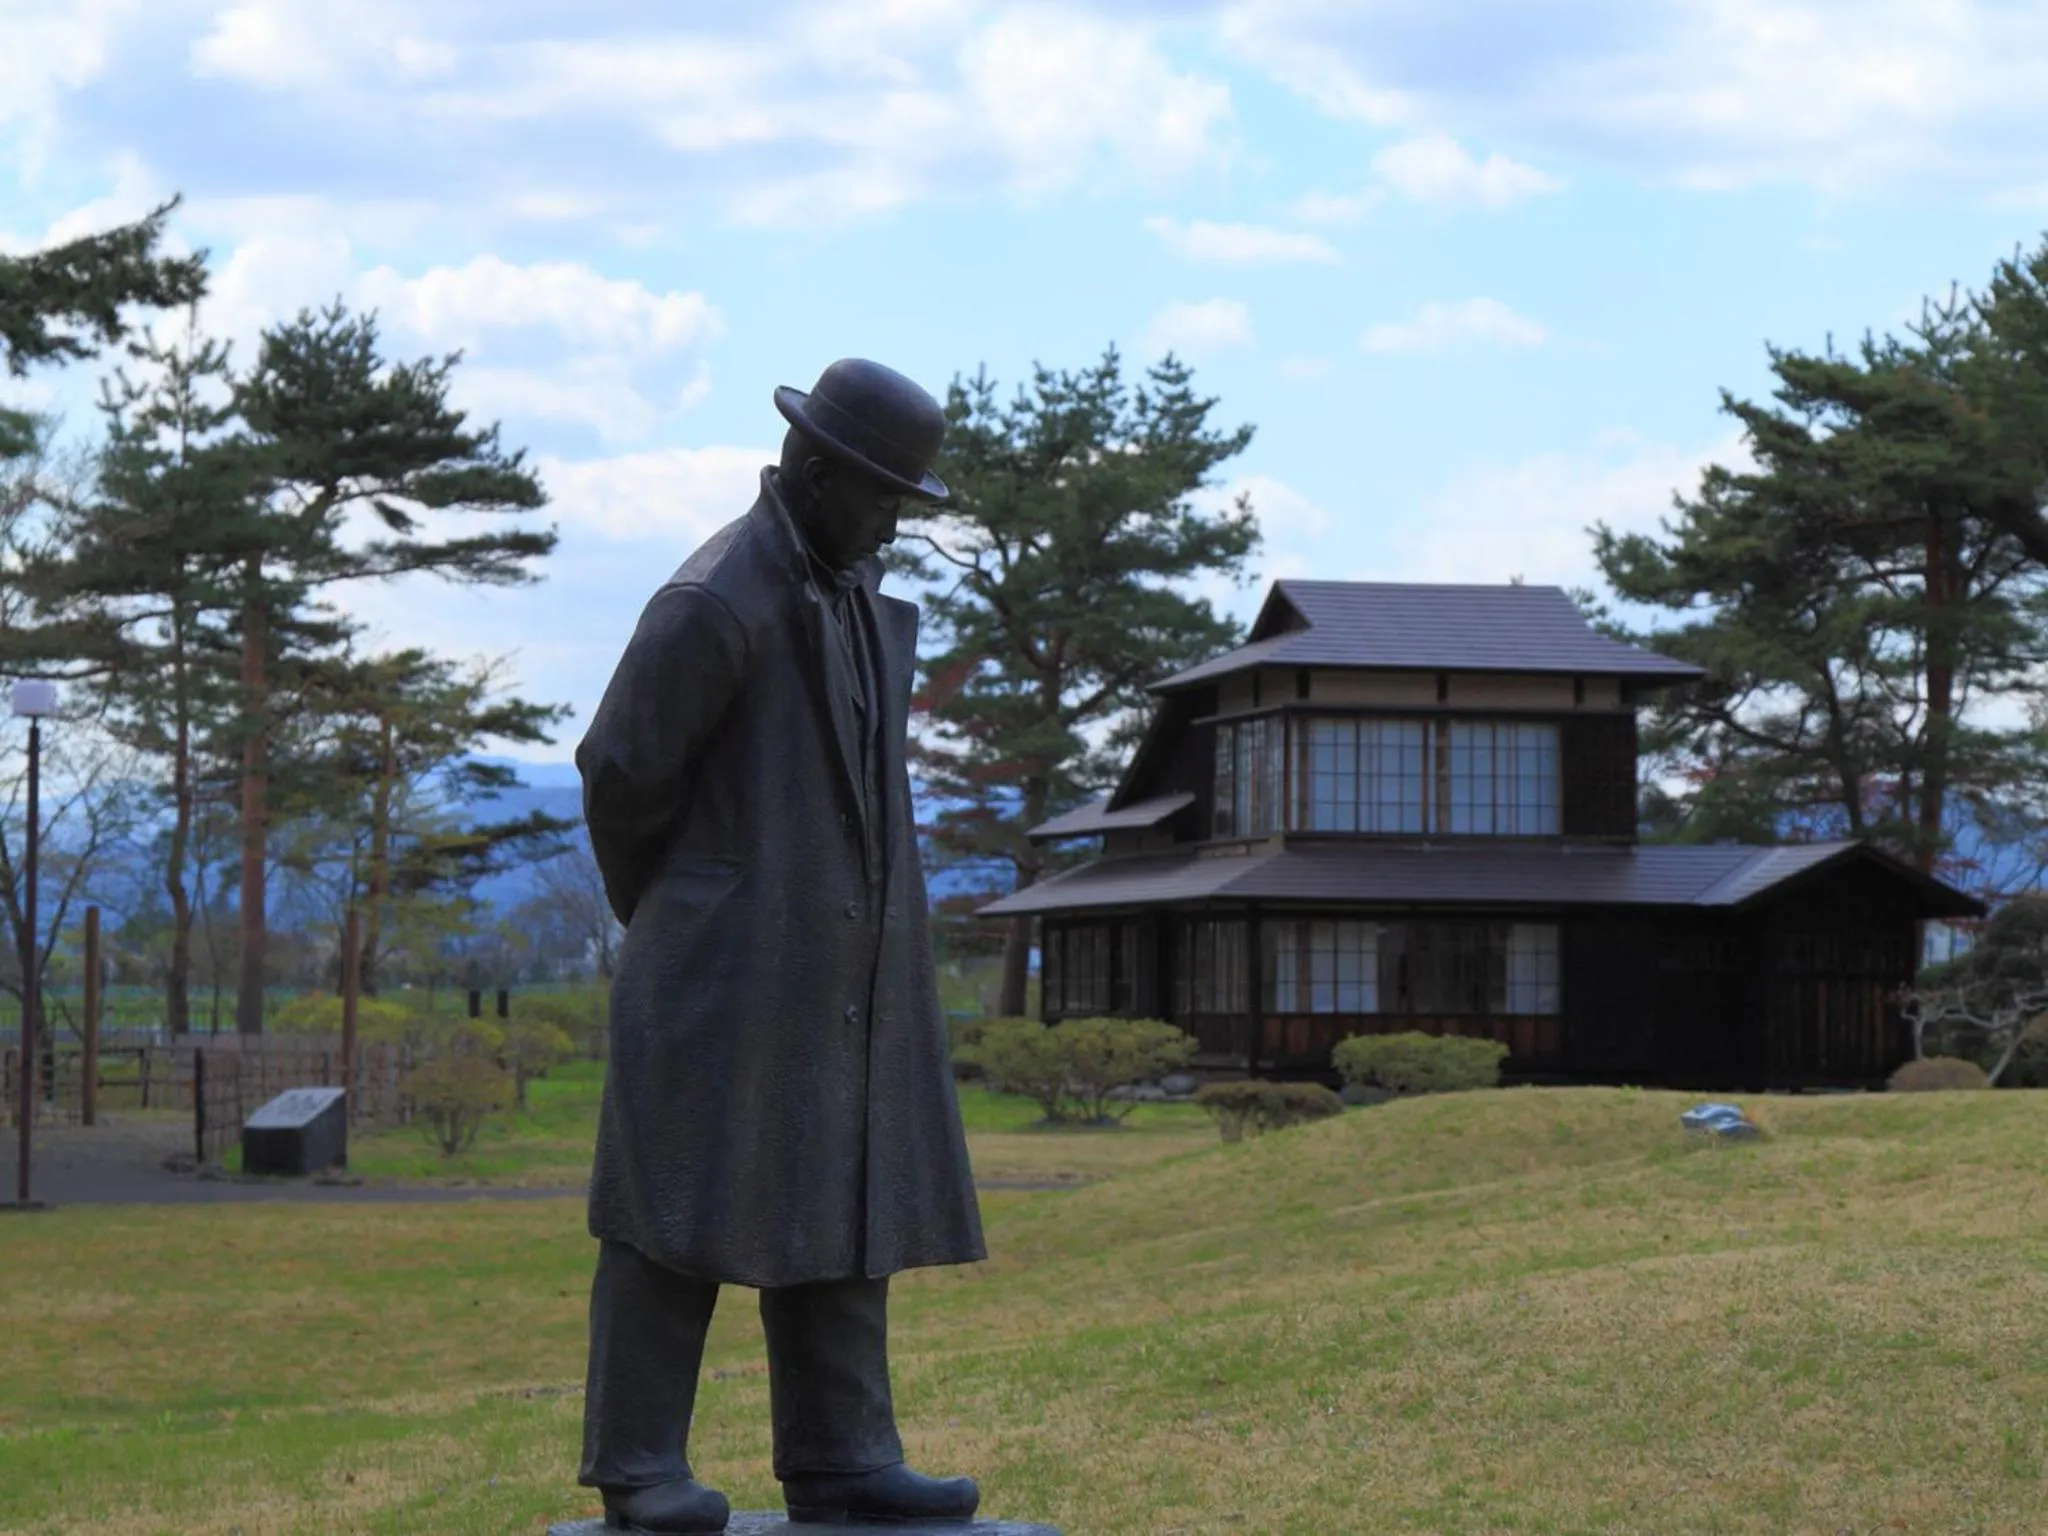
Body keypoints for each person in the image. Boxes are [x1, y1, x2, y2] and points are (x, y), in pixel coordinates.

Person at [573, 358, 987, 1533]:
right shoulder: (713, 601)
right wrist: (689, 918)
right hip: (717, 970)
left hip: (844, 965)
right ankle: (638, 1466)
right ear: (814, 472)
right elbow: (619, 777)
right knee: (674, 1214)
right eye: (884, 498)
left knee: (849, 1197)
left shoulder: (848, 587)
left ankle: (844, 1455)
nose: (896, 523)